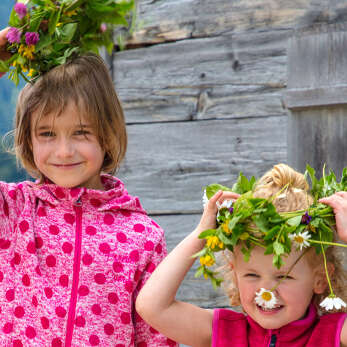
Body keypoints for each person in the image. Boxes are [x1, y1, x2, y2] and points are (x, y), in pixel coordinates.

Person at [0, 28, 177, 347]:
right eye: (48, 134)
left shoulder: (143, 237)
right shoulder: (11, 212)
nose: (64, 151)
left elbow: (158, 338)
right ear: (27, 138)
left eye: (80, 132)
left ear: (107, 133)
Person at [136, 164, 347, 346]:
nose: (267, 290)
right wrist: (201, 233)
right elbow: (152, 306)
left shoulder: (334, 334)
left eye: (284, 276)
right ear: (234, 272)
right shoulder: (223, 332)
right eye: (252, 275)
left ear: (320, 279)